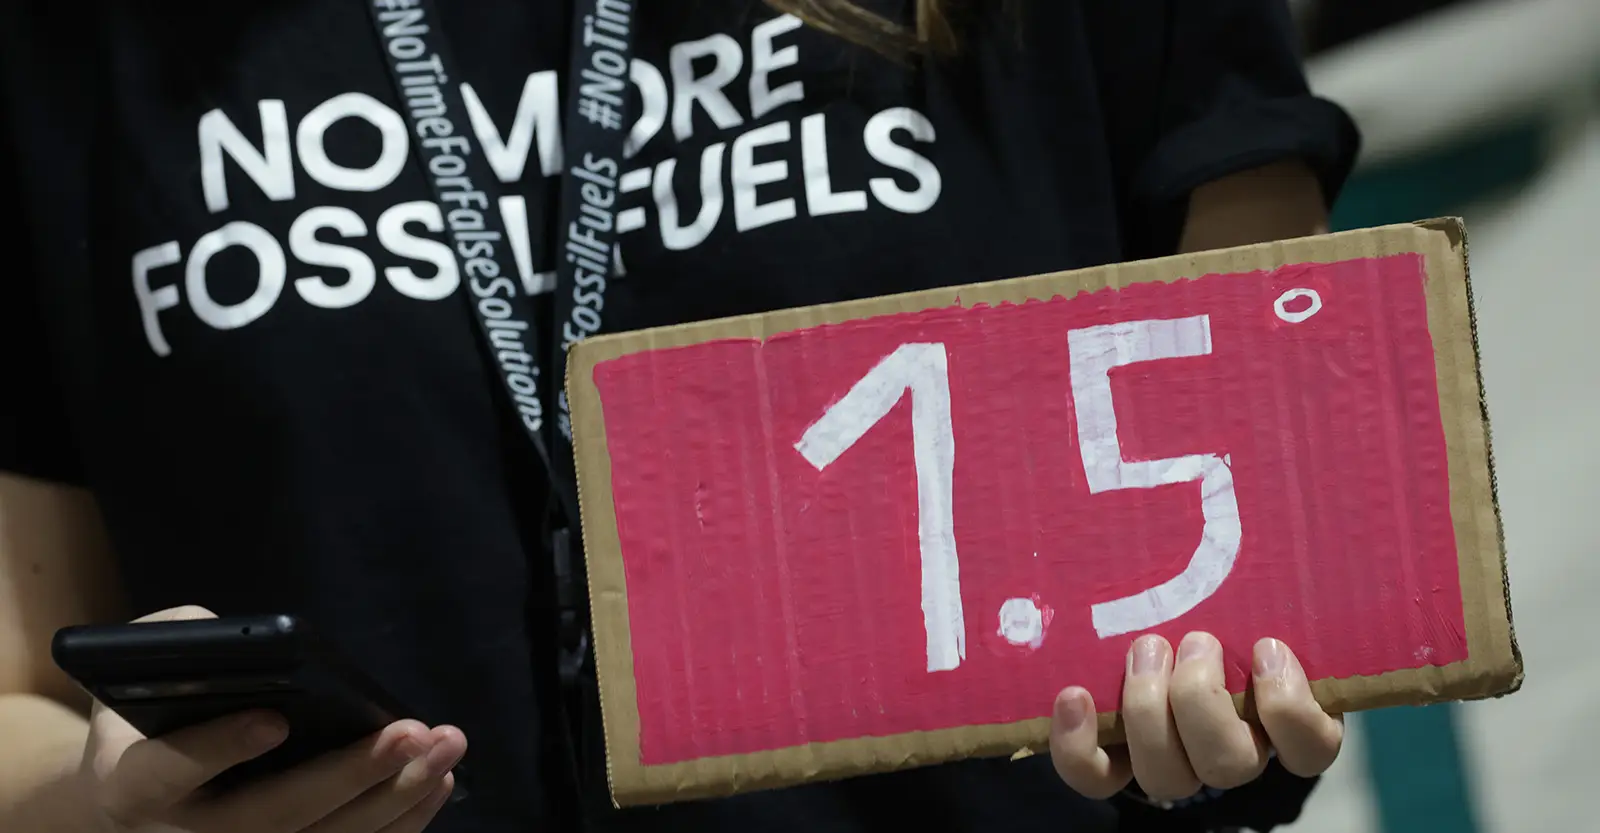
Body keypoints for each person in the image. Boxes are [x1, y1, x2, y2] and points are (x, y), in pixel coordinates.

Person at [0, 1, 1358, 831]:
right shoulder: (72, 47)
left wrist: (1217, 715)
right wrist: (115, 802)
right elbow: (21, 708)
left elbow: (1311, 558)